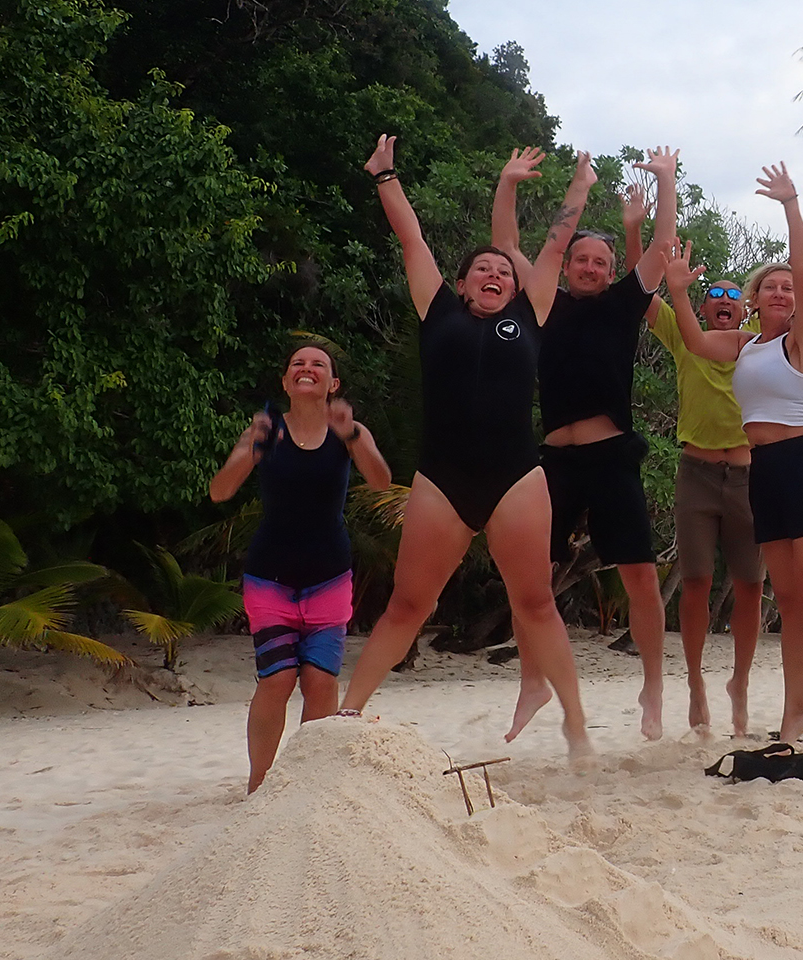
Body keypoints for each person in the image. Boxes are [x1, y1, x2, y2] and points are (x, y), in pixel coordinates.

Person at [340, 135, 594, 770]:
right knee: (407, 604)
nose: (495, 275)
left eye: (503, 271)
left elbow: (556, 244)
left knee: (535, 602)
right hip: (442, 479)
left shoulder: (530, 316)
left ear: (515, 287)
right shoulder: (438, 312)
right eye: (483, 269)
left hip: (516, 478)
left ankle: (575, 721)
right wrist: (386, 176)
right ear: (460, 283)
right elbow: (412, 240)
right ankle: (346, 716)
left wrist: (580, 187)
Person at [663, 163, 803, 763]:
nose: (781, 292)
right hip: (764, 474)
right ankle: (794, 711)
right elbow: (695, 341)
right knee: (790, 599)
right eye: (769, 287)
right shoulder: (743, 344)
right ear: (752, 301)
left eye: (787, 288)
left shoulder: (801, 339)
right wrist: (679, 290)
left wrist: (792, 209)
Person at [491, 144, 678, 742]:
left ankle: (652, 686)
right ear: (567, 264)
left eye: (601, 262)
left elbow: (661, 246)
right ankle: (532, 681)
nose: (592, 268)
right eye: (583, 260)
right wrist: (508, 184)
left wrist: (667, 182)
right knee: (532, 577)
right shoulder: (543, 302)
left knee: (640, 575)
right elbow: (506, 245)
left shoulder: (624, 303)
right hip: (554, 462)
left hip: (612, 455)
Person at [210, 344, 391, 792]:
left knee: (320, 681)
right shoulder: (266, 432)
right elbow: (219, 491)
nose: (306, 368)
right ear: (286, 381)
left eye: (318, 364)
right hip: (269, 577)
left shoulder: (348, 433)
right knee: (277, 679)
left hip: (329, 576)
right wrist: (250, 450)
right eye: (297, 363)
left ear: (333, 384)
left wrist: (352, 434)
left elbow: (382, 481)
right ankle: (259, 784)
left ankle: (311, 785)